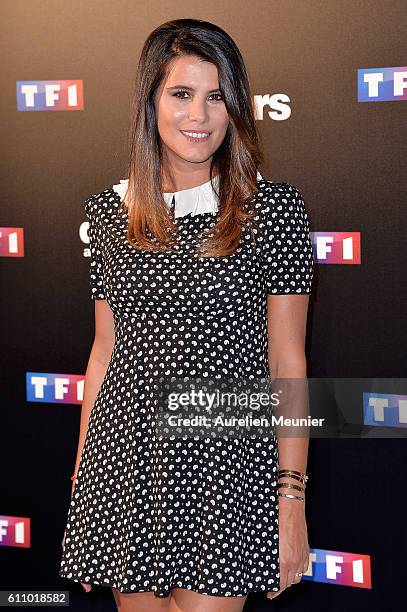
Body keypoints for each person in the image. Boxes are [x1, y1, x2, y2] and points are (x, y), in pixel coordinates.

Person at [59, 18, 314, 612]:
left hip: (226, 468)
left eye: (218, 96)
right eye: (181, 93)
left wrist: (292, 499)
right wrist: (81, 483)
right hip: (123, 464)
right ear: (150, 101)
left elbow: (288, 360)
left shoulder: (272, 211)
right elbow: (104, 353)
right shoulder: (110, 213)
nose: (199, 114)